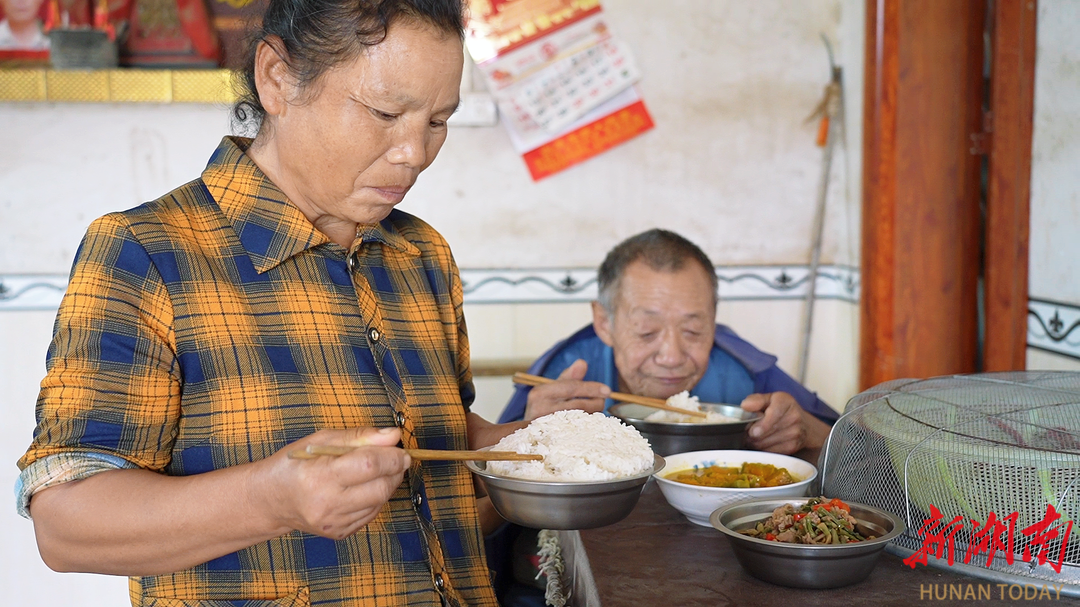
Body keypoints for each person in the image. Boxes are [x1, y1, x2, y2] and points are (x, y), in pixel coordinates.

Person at [15, 1, 526, 605]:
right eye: (386, 113)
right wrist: (271, 499)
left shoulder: (420, 255)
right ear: (278, 78)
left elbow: (424, 446)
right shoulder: (146, 253)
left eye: (438, 121)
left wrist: (517, 452)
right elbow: (66, 526)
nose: (414, 152)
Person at [487, 228, 839, 605]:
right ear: (604, 322)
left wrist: (808, 431)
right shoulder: (562, 373)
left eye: (693, 330)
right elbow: (478, 506)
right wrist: (528, 435)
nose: (671, 355)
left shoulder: (744, 369)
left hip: (724, 574)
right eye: (646, 330)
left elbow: (854, 446)